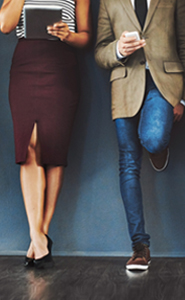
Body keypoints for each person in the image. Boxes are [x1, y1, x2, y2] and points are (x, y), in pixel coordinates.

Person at [95, 0, 185, 271]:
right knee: (128, 163)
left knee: (153, 138)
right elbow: (99, 51)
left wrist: (184, 98)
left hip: (164, 84)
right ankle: (140, 247)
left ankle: (158, 148)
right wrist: (117, 49)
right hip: (125, 84)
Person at [0, 0, 91, 269]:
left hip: (60, 66)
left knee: (53, 152)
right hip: (25, 65)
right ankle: (37, 237)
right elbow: (5, 24)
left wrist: (69, 35)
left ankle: (41, 235)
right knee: (28, 146)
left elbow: (85, 37)